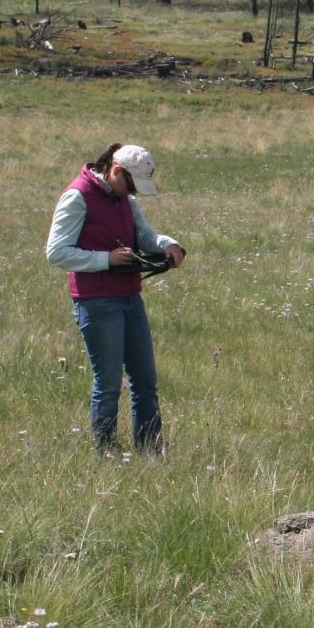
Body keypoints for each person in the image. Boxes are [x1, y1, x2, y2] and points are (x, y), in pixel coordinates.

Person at [45, 143, 187, 454]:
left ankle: (149, 449)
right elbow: (56, 253)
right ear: (115, 171)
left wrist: (167, 245)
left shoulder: (125, 197)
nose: (132, 193)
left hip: (129, 298)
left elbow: (143, 235)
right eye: (130, 185)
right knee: (108, 385)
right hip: (95, 303)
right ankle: (106, 452)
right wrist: (106, 259)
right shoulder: (77, 196)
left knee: (145, 382)